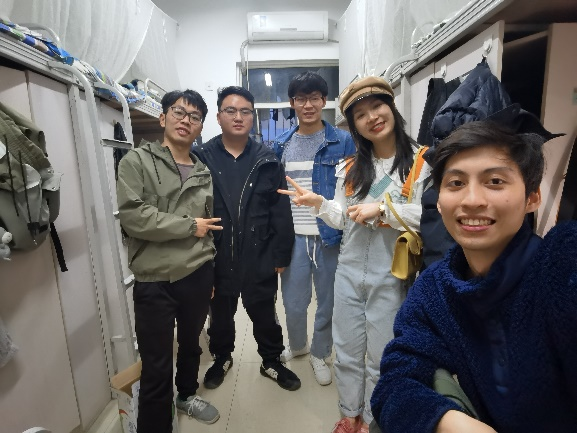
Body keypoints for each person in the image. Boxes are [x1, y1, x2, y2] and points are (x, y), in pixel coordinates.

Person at [371, 119, 577, 433]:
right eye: (456, 183)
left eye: (495, 181)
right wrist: (447, 421)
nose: (472, 200)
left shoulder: (562, 262)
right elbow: (394, 384)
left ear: (532, 197)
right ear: (439, 203)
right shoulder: (434, 289)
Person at [278, 76, 432, 433]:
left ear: (391, 107)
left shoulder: (422, 162)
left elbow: (434, 216)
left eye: (377, 107)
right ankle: (350, 413)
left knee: (381, 353)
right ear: (354, 124)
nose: (371, 118)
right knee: (346, 350)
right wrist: (319, 204)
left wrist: (384, 209)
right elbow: (342, 217)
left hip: (391, 275)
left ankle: (374, 418)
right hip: (347, 271)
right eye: (360, 114)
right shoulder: (350, 166)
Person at [116, 89, 222, 433]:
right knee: (156, 363)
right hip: (154, 279)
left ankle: (187, 394)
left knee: (191, 344)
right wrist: (189, 226)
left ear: (200, 127)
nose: (186, 120)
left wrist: (210, 273)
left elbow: (209, 228)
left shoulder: (203, 172)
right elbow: (134, 217)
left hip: (197, 274)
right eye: (179, 112)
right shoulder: (137, 162)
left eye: (195, 117)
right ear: (163, 118)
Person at [192, 86, 301, 392]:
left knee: (265, 313)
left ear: (252, 117)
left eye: (245, 111)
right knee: (220, 316)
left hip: (259, 252)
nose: (238, 117)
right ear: (218, 117)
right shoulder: (201, 158)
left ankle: (271, 360)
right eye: (230, 111)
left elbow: (280, 210)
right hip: (216, 254)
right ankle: (222, 357)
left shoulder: (267, 159)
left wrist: (281, 254)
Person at [270, 71, 356, 386]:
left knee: (328, 301)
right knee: (293, 303)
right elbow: (274, 196)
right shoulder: (281, 144)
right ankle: (298, 346)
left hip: (330, 235)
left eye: (315, 98)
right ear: (292, 103)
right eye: (301, 99)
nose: (308, 105)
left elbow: (352, 191)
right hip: (293, 238)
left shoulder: (343, 141)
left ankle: (320, 353)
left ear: (324, 101)